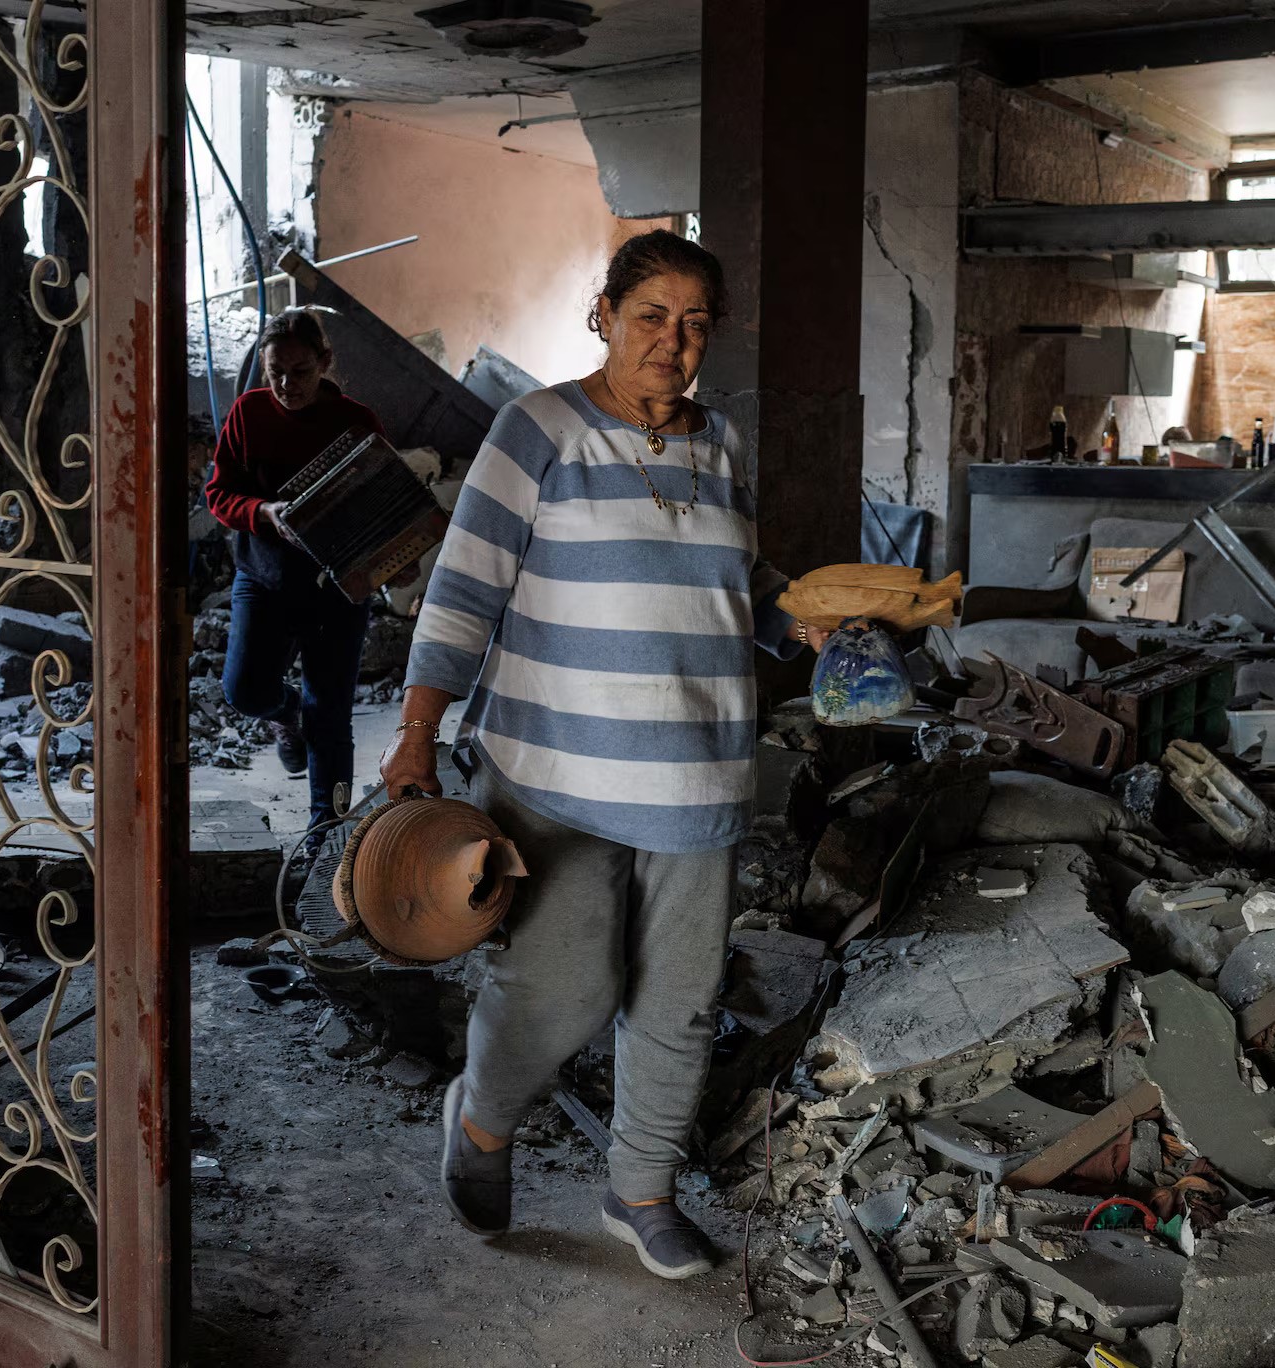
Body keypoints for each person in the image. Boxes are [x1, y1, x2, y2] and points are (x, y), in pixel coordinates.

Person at [378, 229, 832, 1280]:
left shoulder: (722, 444)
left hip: (700, 770)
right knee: (561, 985)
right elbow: (464, 588)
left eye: (695, 324)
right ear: (606, 318)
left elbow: (741, 581)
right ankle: (482, 1120)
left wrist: (802, 619)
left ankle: (642, 1191)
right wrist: (417, 733)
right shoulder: (538, 430)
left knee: (680, 996)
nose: (673, 342)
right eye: (651, 317)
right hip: (555, 770)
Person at [205, 308, 383, 844]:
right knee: (244, 690)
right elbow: (219, 494)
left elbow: (386, 500)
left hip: (338, 588)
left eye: (300, 371)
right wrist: (263, 512)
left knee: (330, 716)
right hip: (265, 577)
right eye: (275, 372)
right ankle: (287, 714)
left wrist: (394, 560)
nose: (286, 385)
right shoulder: (249, 413)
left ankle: (325, 838)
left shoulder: (355, 421)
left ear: (324, 362)